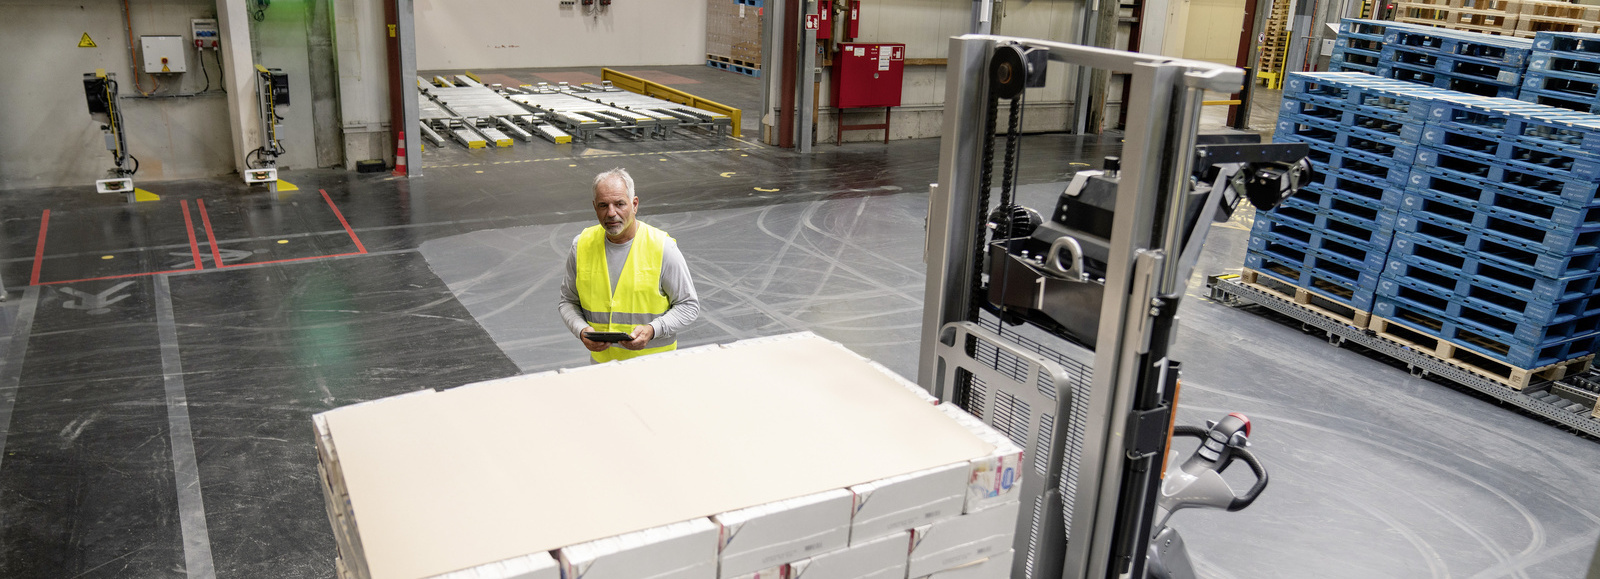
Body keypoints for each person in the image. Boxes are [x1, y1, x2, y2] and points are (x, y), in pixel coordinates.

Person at [558, 168, 700, 362]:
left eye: (619, 204)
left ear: (634, 205)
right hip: (602, 368)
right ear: (594, 207)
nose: (611, 213)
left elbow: (688, 305)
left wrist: (653, 330)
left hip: (655, 368)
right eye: (603, 205)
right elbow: (568, 302)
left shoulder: (662, 247)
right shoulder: (581, 245)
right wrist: (581, 330)